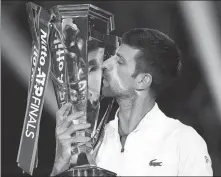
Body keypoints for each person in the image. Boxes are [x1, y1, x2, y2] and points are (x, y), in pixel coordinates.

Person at [51, 28, 213, 176]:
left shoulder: (184, 140)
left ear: (142, 81)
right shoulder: (93, 140)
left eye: (119, 61)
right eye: (112, 57)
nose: (106, 64)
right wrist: (61, 163)